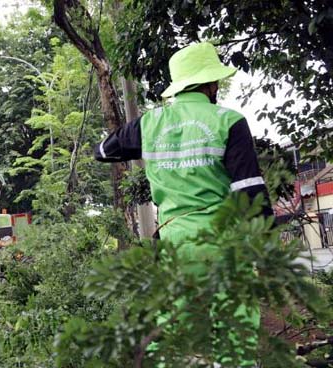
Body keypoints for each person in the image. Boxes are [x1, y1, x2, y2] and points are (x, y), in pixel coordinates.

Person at [94, 42, 271, 364]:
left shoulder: (150, 124)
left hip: (174, 243)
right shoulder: (228, 121)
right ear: (211, 83)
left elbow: (104, 150)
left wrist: (152, 141)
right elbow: (249, 189)